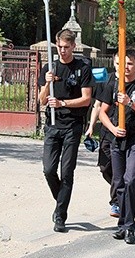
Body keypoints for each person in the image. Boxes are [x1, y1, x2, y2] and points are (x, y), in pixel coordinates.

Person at [38, 29, 95, 233]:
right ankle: (61, 200)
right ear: (56, 45)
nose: (62, 51)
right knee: (48, 169)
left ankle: (60, 216)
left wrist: (62, 102)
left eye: (66, 47)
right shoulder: (49, 68)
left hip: (72, 125)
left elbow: (86, 99)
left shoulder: (82, 68)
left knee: (67, 171)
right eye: (59, 47)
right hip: (53, 125)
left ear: (73, 47)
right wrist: (47, 83)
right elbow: (42, 100)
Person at [98, 50, 135, 244]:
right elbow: (102, 113)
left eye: (130, 63)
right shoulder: (113, 83)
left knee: (131, 179)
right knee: (119, 182)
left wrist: (130, 103)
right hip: (117, 139)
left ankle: (129, 226)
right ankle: (123, 223)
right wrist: (113, 129)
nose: (126, 67)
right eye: (122, 63)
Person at [85, 60, 118, 217]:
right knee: (105, 168)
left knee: (119, 168)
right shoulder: (107, 81)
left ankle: (116, 202)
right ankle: (121, 189)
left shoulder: (132, 82)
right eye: (117, 63)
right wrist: (91, 126)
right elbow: (97, 105)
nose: (120, 65)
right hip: (106, 129)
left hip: (122, 130)